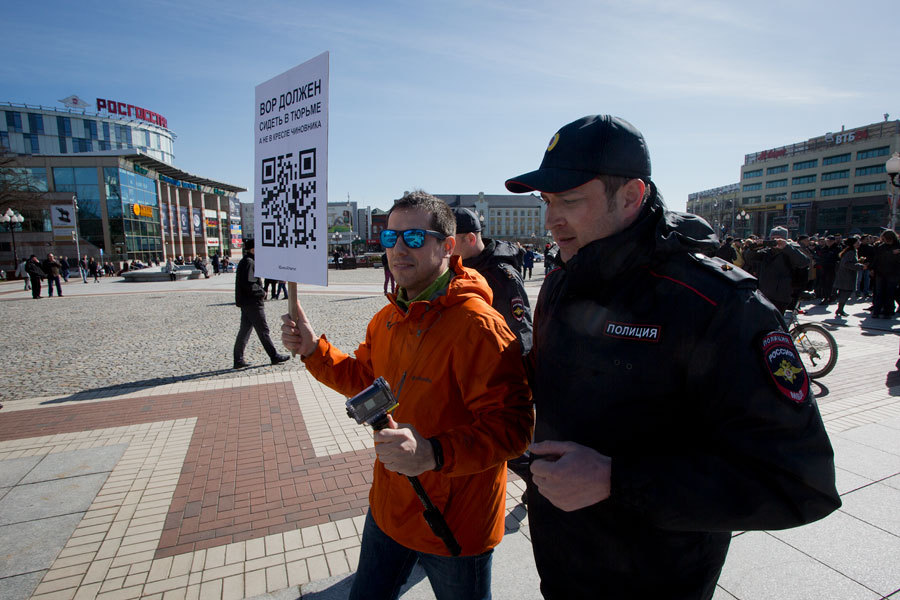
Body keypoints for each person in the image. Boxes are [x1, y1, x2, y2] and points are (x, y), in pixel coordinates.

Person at [504, 114, 841, 599]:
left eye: (570, 200)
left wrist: (617, 481)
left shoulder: (719, 305)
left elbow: (799, 483)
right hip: (562, 567)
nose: (551, 219)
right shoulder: (561, 280)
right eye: (548, 201)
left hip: (657, 580)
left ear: (632, 197)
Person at [281, 191, 533, 600]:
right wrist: (313, 349)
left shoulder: (479, 327)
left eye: (414, 238)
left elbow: (514, 429)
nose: (398, 248)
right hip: (389, 508)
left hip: (455, 523)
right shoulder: (387, 319)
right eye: (390, 238)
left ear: (447, 246)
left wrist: (433, 452)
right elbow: (362, 378)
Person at [451, 206, 533, 355]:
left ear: (470, 239)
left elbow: (520, 332)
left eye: (450, 240)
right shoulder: (454, 269)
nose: (444, 247)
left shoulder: (502, 275)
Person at [233, 238, 290, 369]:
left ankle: (238, 359)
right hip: (253, 303)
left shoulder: (246, 261)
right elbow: (249, 284)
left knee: (244, 331)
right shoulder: (249, 262)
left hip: (247, 303)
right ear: (253, 250)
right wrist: (262, 292)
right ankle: (274, 356)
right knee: (263, 330)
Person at [743, 226, 810, 315]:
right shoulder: (766, 252)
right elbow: (749, 259)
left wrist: (786, 247)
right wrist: (754, 248)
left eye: (778, 238)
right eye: (772, 238)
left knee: (776, 323)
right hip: (764, 294)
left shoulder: (791, 250)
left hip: (781, 296)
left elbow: (804, 262)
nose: (775, 240)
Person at [833, 236, 866, 318]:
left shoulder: (851, 251)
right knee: (845, 293)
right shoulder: (850, 252)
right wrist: (860, 266)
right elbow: (847, 264)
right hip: (847, 276)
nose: (859, 243)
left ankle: (840, 309)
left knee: (844, 293)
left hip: (845, 275)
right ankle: (840, 309)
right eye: (857, 242)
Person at [870, 229, 900, 319]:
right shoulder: (882, 247)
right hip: (881, 272)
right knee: (879, 293)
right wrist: (872, 269)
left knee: (889, 293)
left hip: (893, 273)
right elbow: (877, 258)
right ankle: (877, 311)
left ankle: (888, 311)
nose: (886, 241)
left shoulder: (898, 246)